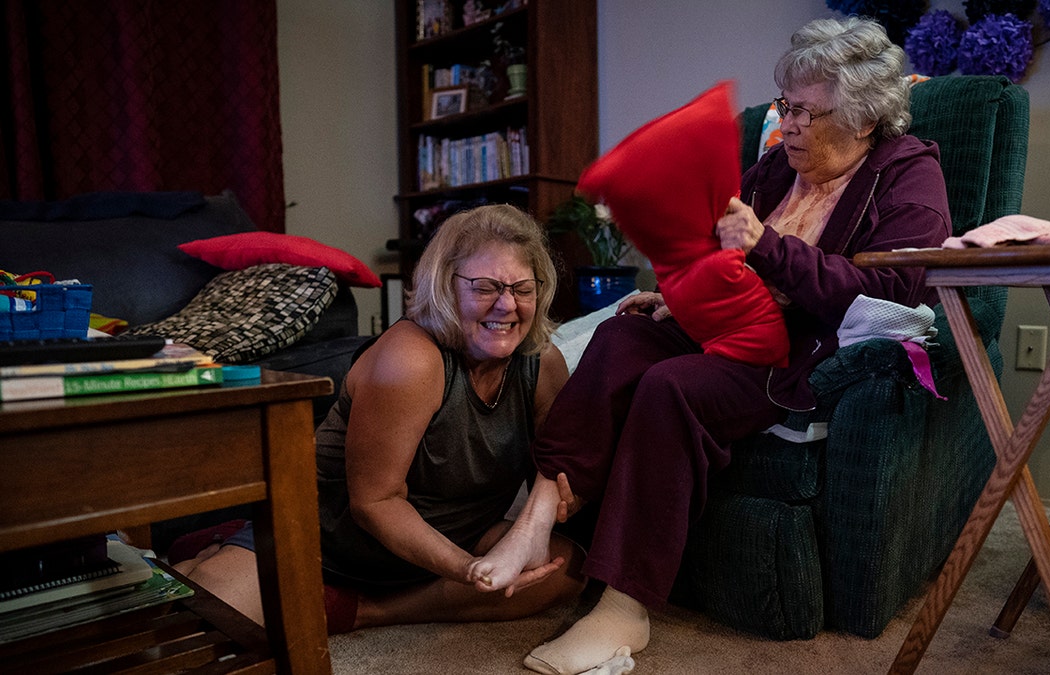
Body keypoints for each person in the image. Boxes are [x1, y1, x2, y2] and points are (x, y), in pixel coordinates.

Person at [466, 16, 953, 675]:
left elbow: (893, 289)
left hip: (793, 355)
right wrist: (678, 296)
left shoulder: (908, 174)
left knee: (673, 387)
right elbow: (714, 258)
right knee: (619, 335)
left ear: (863, 117)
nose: (788, 126)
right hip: (723, 322)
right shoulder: (776, 169)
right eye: (785, 107)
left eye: (805, 111)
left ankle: (625, 604)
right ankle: (543, 508)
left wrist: (768, 247)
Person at [172, 204, 586, 632]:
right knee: (215, 612)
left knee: (565, 569)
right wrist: (468, 570)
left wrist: (549, 511)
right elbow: (375, 503)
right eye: (485, 287)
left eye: (522, 288)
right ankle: (240, 550)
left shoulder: (543, 364)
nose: (507, 305)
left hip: (456, 541)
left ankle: (365, 612)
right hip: (333, 548)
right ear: (446, 287)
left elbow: (559, 470)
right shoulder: (411, 358)